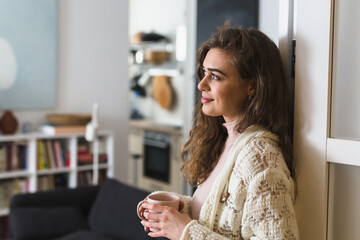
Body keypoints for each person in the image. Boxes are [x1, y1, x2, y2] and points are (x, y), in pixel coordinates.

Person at [139, 24, 299, 240]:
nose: (201, 85)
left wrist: (185, 232)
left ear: (252, 86)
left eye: (215, 76)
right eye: (204, 73)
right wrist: (177, 210)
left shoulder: (261, 159)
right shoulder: (227, 141)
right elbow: (221, 217)